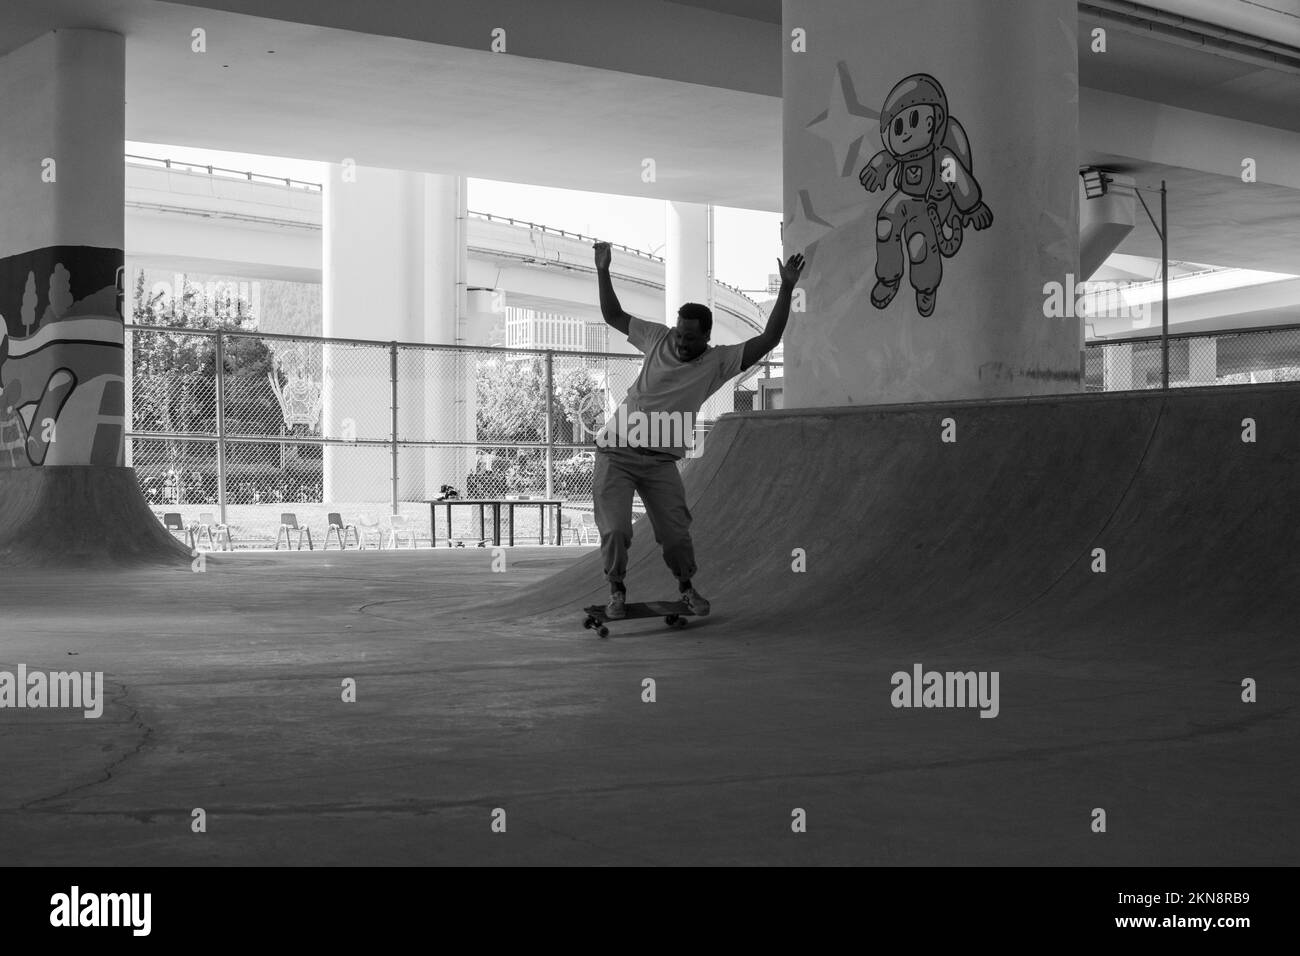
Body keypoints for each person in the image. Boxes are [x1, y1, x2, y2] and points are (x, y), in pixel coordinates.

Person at [591, 239, 805, 619]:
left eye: (691, 337)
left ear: (707, 337)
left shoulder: (718, 362)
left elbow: (769, 339)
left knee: (675, 535)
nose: (683, 342)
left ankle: (687, 588)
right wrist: (603, 270)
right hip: (617, 451)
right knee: (617, 530)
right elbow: (613, 315)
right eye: (680, 333)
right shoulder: (656, 337)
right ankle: (617, 591)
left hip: (660, 463)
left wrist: (787, 287)